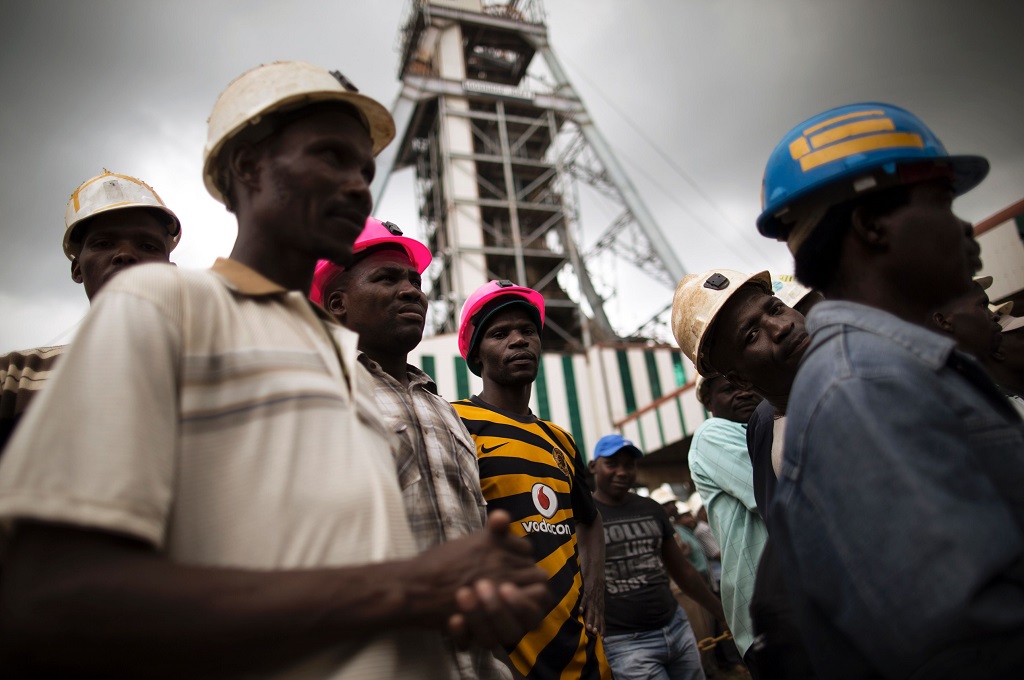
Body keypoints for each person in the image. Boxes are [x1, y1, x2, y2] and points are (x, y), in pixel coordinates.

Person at [0, 61, 549, 679]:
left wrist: (467, 600)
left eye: (364, 170)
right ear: (246, 168)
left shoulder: (338, 357)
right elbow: (48, 600)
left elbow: (328, 573)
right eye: (329, 157)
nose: (356, 185)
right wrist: (409, 589)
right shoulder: (166, 308)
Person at [756, 101, 1024, 675]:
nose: (964, 227)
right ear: (870, 225)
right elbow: (964, 643)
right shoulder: (863, 388)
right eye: (942, 202)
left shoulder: (888, 370)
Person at [310, 217, 513, 679]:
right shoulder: (318, 393)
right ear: (337, 303)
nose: (412, 291)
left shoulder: (445, 411)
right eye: (386, 278)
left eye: (415, 281)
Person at [452, 280, 610, 680]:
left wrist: (593, 587)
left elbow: (590, 520)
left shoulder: (560, 439)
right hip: (509, 655)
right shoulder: (454, 422)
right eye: (500, 333)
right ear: (477, 355)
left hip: (584, 649)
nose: (519, 341)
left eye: (527, 331)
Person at [672, 268, 815, 678]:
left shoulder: (772, 419)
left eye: (776, 308)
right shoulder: (721, 435)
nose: (781, 327)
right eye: (750, 335)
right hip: (780, 624)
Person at [0, 170, 181, 452]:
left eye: (147, 246)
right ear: (77, 269)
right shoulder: (14, 377)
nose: (125, 255)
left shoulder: (212, 376)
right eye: (103, 243)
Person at [590, 434, 725, 680]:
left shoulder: (651, 509)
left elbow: (682, 570)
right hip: (625, 643)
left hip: (676, 627)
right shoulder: (584, 517)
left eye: (629, 465)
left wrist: (721, 612)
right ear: (593, 467)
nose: (622, 472)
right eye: (612, 463)